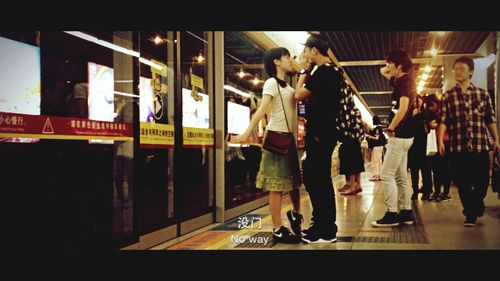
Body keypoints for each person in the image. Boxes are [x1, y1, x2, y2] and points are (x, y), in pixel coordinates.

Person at [233, 47, 302, 244]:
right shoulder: (272, 83)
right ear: (276, 62)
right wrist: (247, 132)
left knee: (294, 182)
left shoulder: (289, 88)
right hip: (275, 139)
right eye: (286, 57)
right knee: (276, 186)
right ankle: (278, 228)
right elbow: (262, 108)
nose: (289, 60)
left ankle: (296, 215)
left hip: (289, 139)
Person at [437, 56, 499, 227]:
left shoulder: (482, 94)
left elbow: (490, 119)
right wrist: (440, 140)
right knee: (462, 182)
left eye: (461, 69)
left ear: (470, 71)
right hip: (458, 146)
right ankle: (471, 214)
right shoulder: (448, 96)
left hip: (480, 144)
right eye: (455, 68)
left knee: (482, 182)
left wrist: (496, 139)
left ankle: (476, 204)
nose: (457, 71)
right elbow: (443, 121)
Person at [295, 34, 342, 243]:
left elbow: (298, 95)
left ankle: (325, 228)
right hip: (324, 132)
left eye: (306, 50)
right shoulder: (330, 71)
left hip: (320, 133)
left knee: (316, 179)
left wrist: (304, 70)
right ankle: (323, 226)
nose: (304, 53)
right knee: (318, 178)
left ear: (314, 50)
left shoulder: (323, 72)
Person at [372, 50, 416, 227]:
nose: (387, 66)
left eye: (390, 63)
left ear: (399, 65)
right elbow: (383, 71)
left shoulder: (405, 81)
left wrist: (391, 127)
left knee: (386, 174)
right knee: (400, 177)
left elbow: (403, 107)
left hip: (399, 135)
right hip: (406, 136)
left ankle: (391, 213)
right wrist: (392, 65)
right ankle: (406, 212)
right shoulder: (401, 80)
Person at [425, 93, 451, 202]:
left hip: (446, 142)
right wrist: (429, 125)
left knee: (445, 169)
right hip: (434, 144)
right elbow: (426, 128)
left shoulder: (445, 113)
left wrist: (438, 125)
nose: (431, 108)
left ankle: (445, 193)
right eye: (429, 106)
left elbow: (449, 126)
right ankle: (437, 192)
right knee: (435, 169)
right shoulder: (430, 115)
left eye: (432, 105)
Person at [408, 95, 433, 200]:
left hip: (423, 144)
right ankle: (415, 190)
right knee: (414, 169)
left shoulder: (425, 114)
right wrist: (412, 116)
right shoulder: (408, 114)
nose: (416, 103)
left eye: (417, 100)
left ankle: (427, 190)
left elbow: (429, 127)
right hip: (412, 145)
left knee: (425, 168)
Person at [366, 115, 385, 181]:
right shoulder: (380, 128)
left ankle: (376, 175)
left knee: (375, 160)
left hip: (377, 146)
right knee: (379, 160)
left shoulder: (377, 129)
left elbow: (376, 138)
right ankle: (379, 174)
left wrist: (369, 136)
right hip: (380, 146)